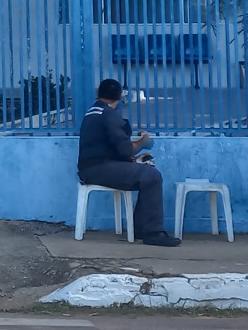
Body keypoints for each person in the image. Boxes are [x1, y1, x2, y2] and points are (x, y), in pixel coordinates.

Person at [77, 78, 181, 247]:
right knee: (152, 176)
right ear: (118, 98)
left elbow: (109, 148)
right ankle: (152, 232)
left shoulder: (91, 112)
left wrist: (133, 160)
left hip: (90, 168)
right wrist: (144, 141)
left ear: (99, 94)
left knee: (145, 171)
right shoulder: (110, 115)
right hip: (99, 168)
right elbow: (126, 149)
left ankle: (142, 228)